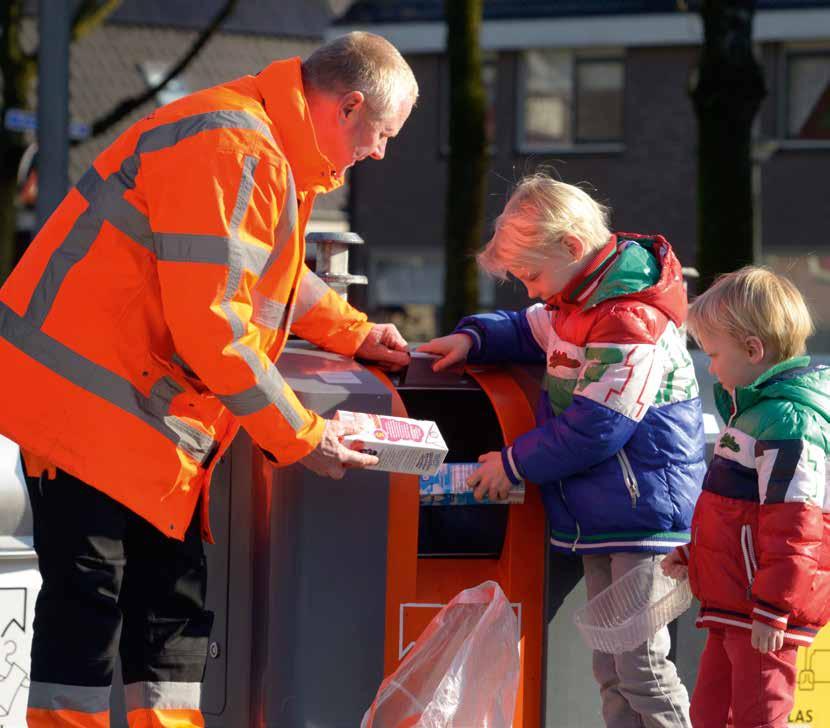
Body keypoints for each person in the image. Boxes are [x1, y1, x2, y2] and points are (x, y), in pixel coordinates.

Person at [0, 32, 417, 728]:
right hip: (93, 416)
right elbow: (216, 327)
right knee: (94, 618)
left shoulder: (258, 142)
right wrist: (301, 435)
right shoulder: (239, 148)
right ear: (346, 107)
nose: (379, 152)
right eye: (381, 133)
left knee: (169, 618)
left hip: (137, 416)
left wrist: (355, 332)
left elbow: (266, 276)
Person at [419, 174, 705, 727]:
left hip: (646, 513)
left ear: (571, 247)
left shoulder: (627, 318)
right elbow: (529, 329)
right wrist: (475, 338)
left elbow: (599, 424)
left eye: (531, 274)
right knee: (613, 670)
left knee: (643, 667)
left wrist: (513, 462)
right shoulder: (576, 299)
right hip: (609, 512)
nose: (529, 290)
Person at [661, 267, 829, 728]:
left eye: (713, 354)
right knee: (710, 712)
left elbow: (796, 525)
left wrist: (774, 608)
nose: (710, 366)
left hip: (763, 608)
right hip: (737, 600)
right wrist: (693, 554)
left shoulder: (786, 422)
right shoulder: (754, 414)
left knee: (757, 713)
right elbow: (736, 516)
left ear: (753, 350)